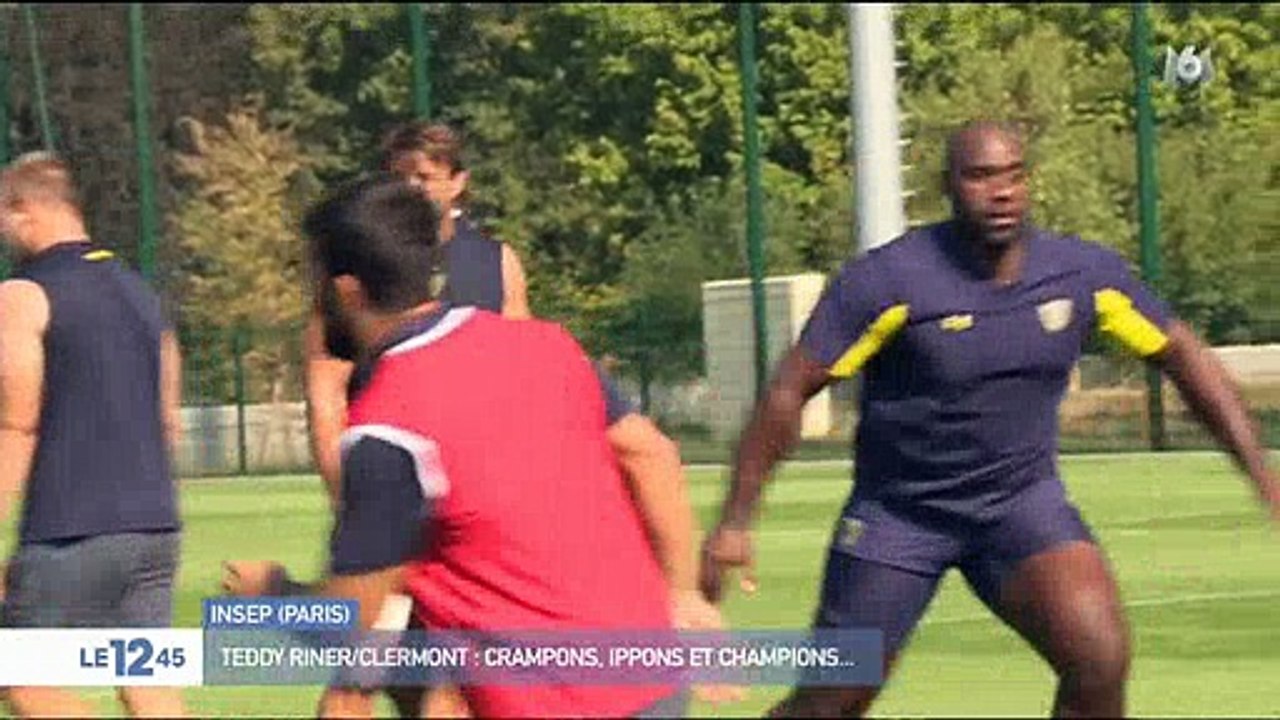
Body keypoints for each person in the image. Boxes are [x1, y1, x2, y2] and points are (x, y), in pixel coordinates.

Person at [698, 120, 1280, 718]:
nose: (1001, 192)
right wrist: (735, 522)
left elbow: (1183, 354)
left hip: (1021, 508)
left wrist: (1258, 469)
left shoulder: (1080, 275)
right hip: (899, 518)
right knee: (830, 702)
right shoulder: (890, 280)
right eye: (980, 177)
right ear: (948, 186)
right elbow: (787, 391)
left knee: (1099, 659)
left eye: (1013, 175)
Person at [225, 174, 736, 718]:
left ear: (347, 292)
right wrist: (682, 594)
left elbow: (356, 623)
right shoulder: (546, 346)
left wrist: (273, 598)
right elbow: (651, 453)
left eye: (316, 285)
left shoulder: (388, 427)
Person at [304, 122, 533, 718]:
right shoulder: (361, 267)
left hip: (471, 515)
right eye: (399, 177)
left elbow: (520, 376)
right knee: (360, 673)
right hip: (392, 498)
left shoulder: (494, 263)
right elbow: (325, 386)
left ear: (458, 184)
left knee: (448, 686)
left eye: (424, 178)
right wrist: (348, 494)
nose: (411, 188)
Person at [0, 153, 187, 718]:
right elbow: (168, 417)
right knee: (146, 683)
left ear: (24, 210)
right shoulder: (139, 291)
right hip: (155, 525)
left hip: (71, 526)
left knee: (24, 679)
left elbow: (17, 421)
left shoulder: (21, 295)